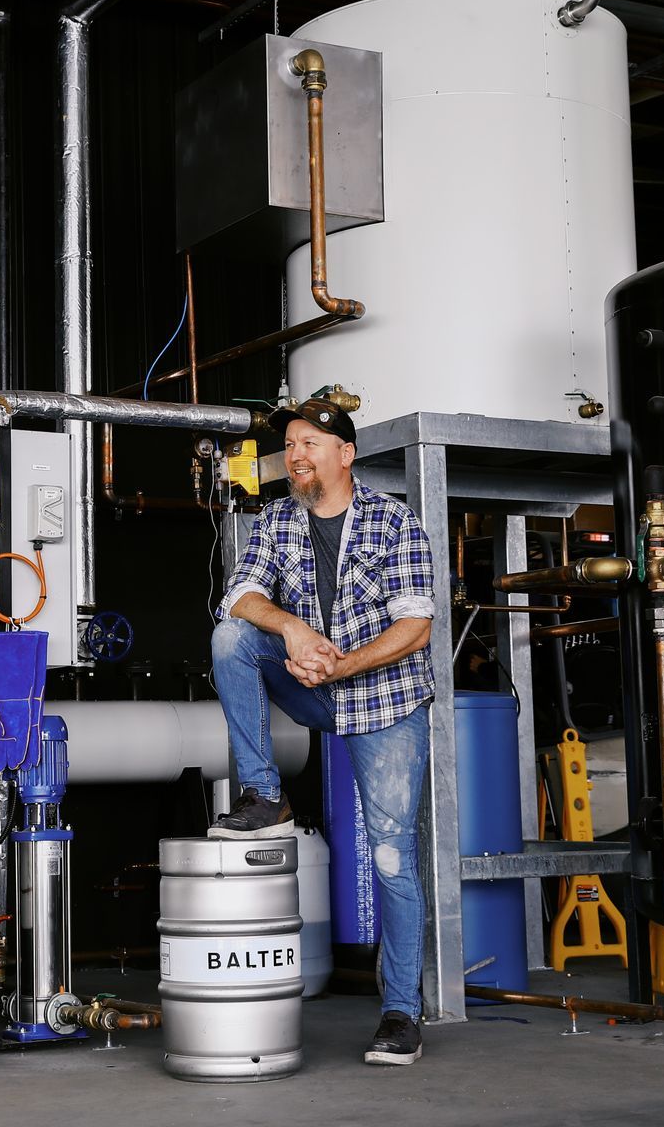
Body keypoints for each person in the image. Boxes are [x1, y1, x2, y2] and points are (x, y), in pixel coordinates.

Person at [207, 397, 437, 1067]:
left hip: (384, 699)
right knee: (232, 638)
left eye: (311, 444)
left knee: (392, 859)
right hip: (311, 681)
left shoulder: (395, 521)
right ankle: (265, 795)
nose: (298, 456)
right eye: (293, 446)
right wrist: (297, 631)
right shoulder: (278, 518)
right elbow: (241, 597)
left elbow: (415, 626)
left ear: (345, 454)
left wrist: (342, 663)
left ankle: (400, 1012)